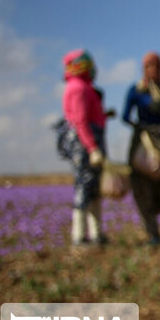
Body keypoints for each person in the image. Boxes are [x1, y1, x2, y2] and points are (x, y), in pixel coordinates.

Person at [122, 52, 160, 245]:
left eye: (157, 65)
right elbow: (125, 116)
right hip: (144, 141)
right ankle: (153, 231)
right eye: (149, 66)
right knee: (142, 186)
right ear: (143, 69)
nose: (154, 69)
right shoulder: (136, 91)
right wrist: (140, 126)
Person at [61, 49, 112, 246]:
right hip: (85, 145)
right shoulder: (78, 88)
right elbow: (80, 121)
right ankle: (79, 236)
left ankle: (96, 234)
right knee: (84, 188)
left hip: (88, 142)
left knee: (93, 189)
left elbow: (88, 116)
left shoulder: (83, 87)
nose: (93, 69)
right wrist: (92, 148)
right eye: (89, 65)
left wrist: (104, 116)